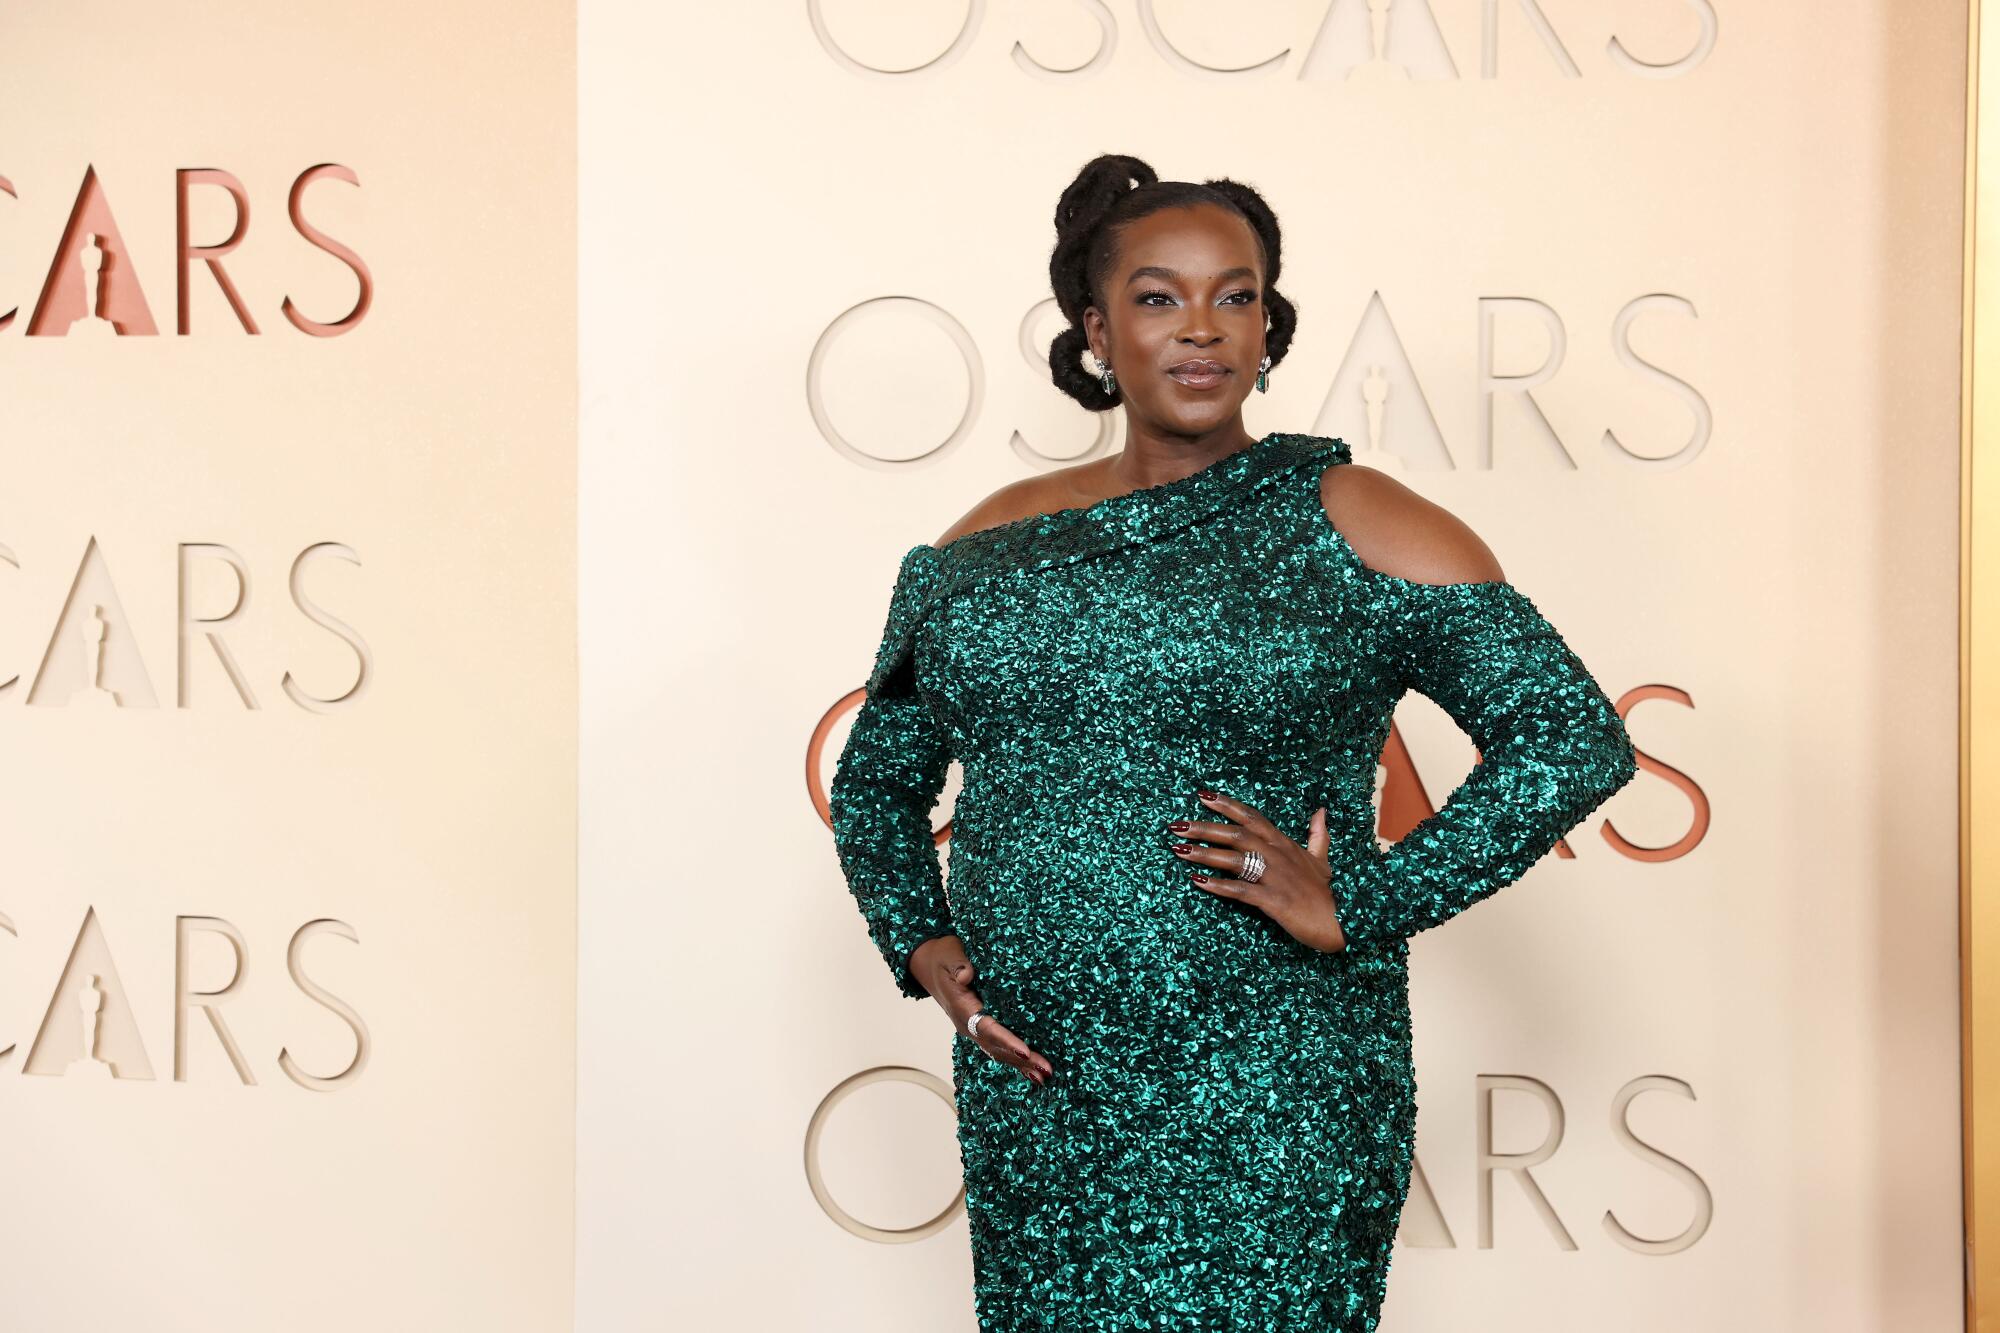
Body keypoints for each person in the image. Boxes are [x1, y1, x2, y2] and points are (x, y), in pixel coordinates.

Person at [828, 152, 1639, 1332]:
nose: (1200, 328)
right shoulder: (982, 549)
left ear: (1269, 324)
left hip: (1277, 1083)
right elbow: (877, 784)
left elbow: (1567, 739)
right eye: (1157, 298)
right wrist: (921, 940)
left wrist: (1362, 900)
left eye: (1236, 294)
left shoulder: (1355, 520)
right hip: (1043, 1089)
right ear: (1094, 331)